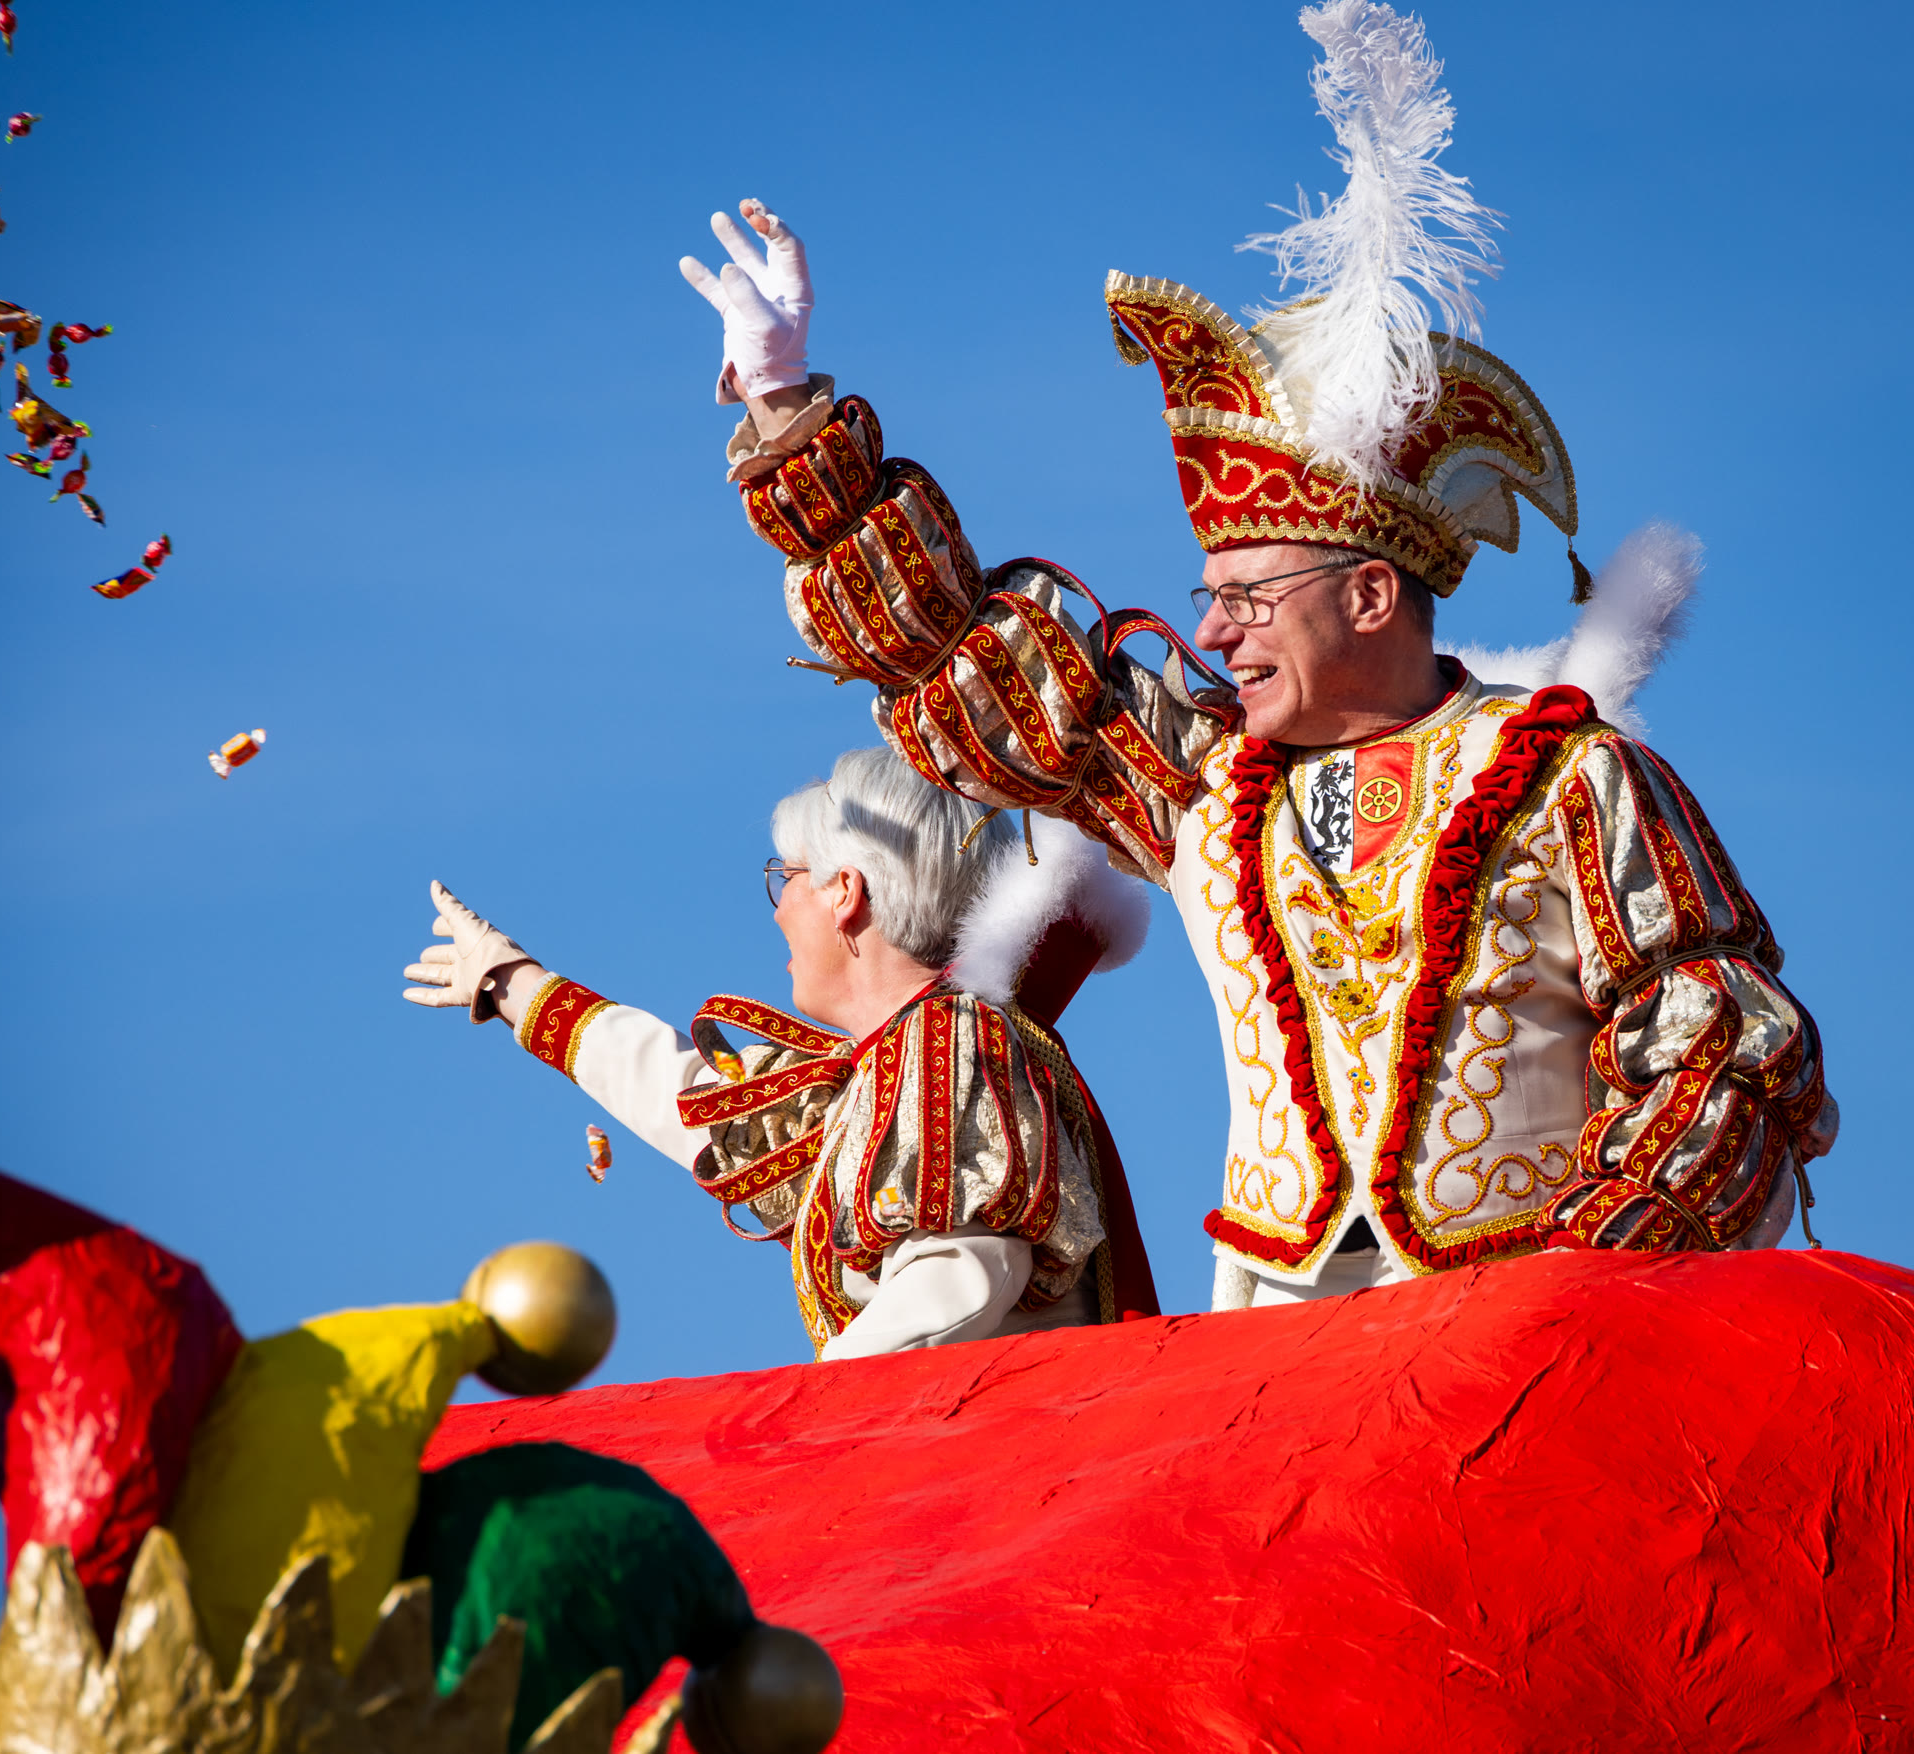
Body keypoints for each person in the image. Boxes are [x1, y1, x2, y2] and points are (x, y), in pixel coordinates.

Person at [674, 3, 1834, 1312]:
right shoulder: (1201, 782)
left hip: (1519, 1338)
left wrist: (1583, 1285)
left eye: (1246, 597)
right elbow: (959, 656)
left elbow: (1715, 1040)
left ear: (1372, 594)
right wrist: (787, 406)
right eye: (1208, 599)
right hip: (1271, 1344)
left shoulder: (1573, 779)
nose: (1216, 631)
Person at [401, 747, 1160, 1358]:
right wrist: (514, 984)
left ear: (845, 892)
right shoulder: (890, 1066)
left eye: (785, 878)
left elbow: (960, 1271)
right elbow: (707, 1108)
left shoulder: (947, 1045)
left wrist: (810, 1420)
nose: (777, 912)